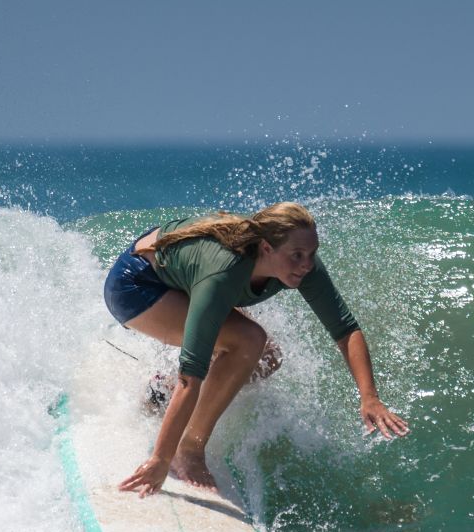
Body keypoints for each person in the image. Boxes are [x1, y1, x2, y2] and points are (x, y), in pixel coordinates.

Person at [102, 202, 408, 496]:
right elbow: (190, 376)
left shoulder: (300, 265)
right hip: (137, 285)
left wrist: (370, 397)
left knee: (266, 357)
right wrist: (160, 460)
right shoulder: (222, 273)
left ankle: (161, 394)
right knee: (247, 340)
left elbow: (345, 330)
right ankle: (189, 450)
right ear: (266, 248)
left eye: (312, 253)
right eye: (297, 255)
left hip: (184, 271)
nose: (307, 264)